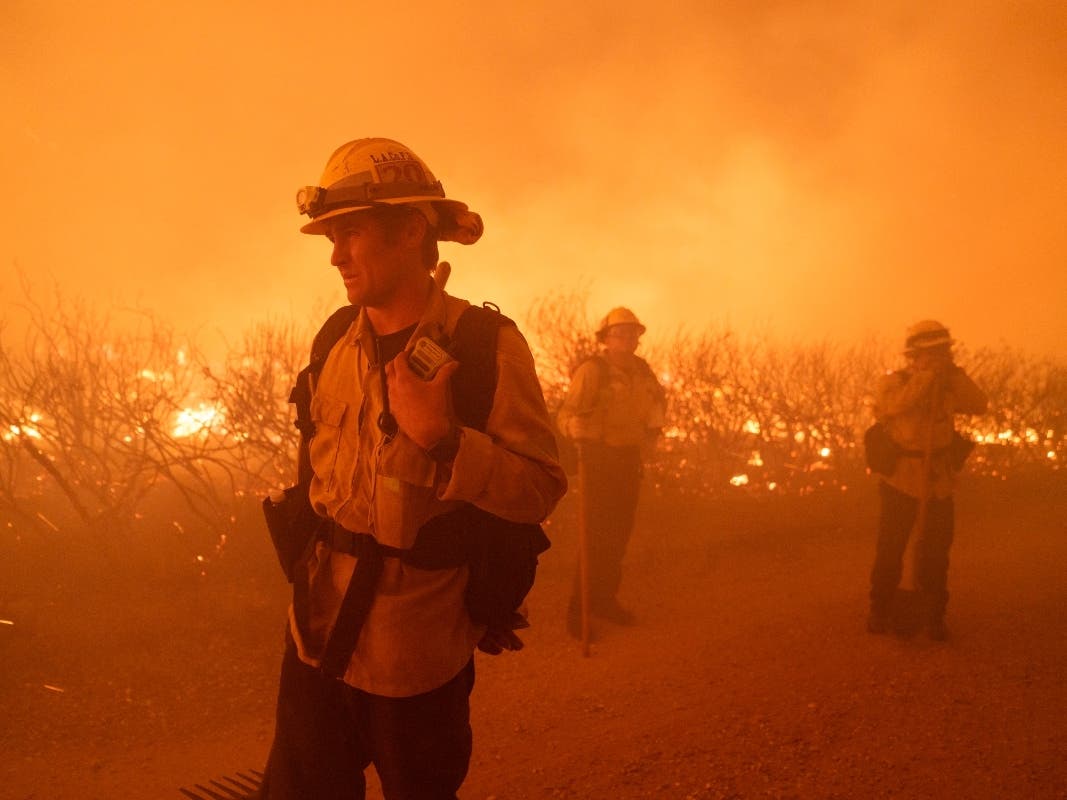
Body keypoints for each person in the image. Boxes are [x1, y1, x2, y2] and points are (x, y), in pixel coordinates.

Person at [261, 137, 567, 800]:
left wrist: (444, 439)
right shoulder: (333, 340)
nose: (337, 255)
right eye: (330, 239)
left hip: (415, 650)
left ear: (409, 229)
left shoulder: (484, 345)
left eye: (351, 233)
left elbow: (540, 484)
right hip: (315, 632)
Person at [866, 319, 987, 641]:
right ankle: (880, 608)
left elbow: (979, 405)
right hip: (901, 481)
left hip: (938, 483)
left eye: (942, 352)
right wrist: (924, 380)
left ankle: (934, 615)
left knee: (936, 552)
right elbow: (893, 407)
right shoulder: (893, 383)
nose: (937, 358)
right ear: (913, 356)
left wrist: (954, 375)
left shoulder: (950, 384)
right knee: (891, 548)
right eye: (930, 353)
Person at [556, 307, 665, 639]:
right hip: (598, 459)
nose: (629, 338)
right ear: (606, 339)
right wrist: (573, 427)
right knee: (595, 536)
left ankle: (604, 600)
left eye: (633, 333)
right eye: (621, 333)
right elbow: (566, 414)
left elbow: (656, 405)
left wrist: (653, 430)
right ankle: (579, 611)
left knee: (618, 537)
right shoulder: (592, 371)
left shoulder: (643, 372)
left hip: (628, 461)